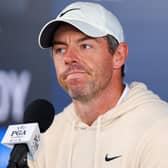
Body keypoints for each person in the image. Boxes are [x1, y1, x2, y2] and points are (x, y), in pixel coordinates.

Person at [28, 1, 168, 168]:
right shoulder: (47, 135)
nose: (69, 57)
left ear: (119, 55)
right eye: (60, 49)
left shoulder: (159, 127)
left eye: (85, 46)